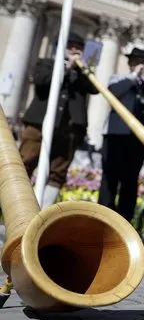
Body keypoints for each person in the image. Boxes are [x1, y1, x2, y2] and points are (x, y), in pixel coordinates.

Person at [19, 32, 98, 208]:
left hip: (69, 129)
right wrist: (66, 68)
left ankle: (42, 211)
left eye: (78, 49)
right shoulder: (46, 64)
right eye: (71, 47)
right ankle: (17, 209)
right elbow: (40, 80)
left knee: (58, 171)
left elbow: (94, 89)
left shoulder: (82, 73)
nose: (75, 51)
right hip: (39, 124)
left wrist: (83, 70)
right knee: (25, 163)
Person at [99, 48, 144, 222]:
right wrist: (134, 75)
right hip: (116, 134)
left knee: (130, 179)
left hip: (138, 138)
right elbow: (114, 91)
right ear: (130, 63)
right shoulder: (119, 78)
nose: (140, 65)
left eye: (143, 62)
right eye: (136, 61)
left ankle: (125, 220)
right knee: (110, 177)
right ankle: (103, 217)